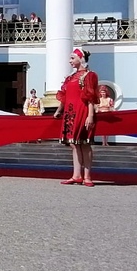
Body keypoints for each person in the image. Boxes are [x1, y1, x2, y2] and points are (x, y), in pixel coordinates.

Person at [53, 48, 99, 186]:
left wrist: (90, 115)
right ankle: (76, 175)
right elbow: (65, 97)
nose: (70, 61)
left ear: (81, 58)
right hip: (69, 112)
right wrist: (58, 111)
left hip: (82, 111)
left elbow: (90, 97)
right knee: (73, 144)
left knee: (84, 143)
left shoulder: (89, 76)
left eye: (72, 58)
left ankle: (87, 176)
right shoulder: (70, 78)